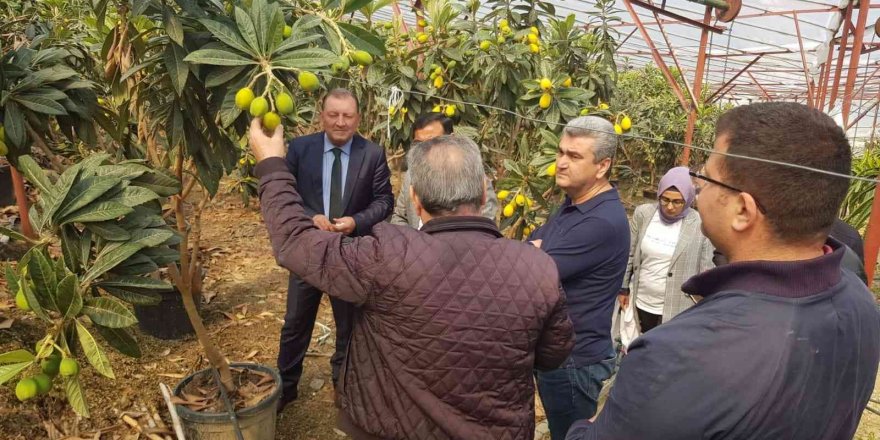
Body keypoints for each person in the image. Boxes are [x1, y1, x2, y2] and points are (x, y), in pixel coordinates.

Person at [567, 102, 880, 440]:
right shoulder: (860, 302)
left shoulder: (677, 355)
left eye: (706, 178)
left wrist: (591, 423)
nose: (697, 193)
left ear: (743, 210)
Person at [250, 122, 575, 439]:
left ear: (415, 200)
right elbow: (552, 355)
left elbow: (294, 242)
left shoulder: (385, 256)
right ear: (484, 190)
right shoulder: (539, 268)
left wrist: (271, 164)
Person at [277, 88, 394, 410]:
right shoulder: (301, 149)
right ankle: (285, 389)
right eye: (333, 115)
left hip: (349, 255)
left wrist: (356, 222)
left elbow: (385, 201)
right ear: (322, 116)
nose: (340, 122)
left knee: (349, 327)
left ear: (358, 118)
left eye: (347, 116)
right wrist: (308, 216)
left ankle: (342, 387)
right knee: (295, 324)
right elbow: (286, 193)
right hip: (309, 253)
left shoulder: (371, 154)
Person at [528, 116, 630, 440]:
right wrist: (536, 249)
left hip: (575, 363)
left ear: (602, 166)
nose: (560, 163)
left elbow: (531, 269)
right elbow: (532, 246)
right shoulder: (573, 204)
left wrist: (538, 250)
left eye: (573, 156)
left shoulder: (601, 221)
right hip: (560, 356)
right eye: (560, 152)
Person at [618, 166, 714, 333]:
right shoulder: (644, 215)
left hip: (679, 306)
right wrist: (623, 288)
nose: (670, 207)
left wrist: (703, 306)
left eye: (677, 201)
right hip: (642, 301)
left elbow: (706, 269)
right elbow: (630, 253)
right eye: (665, 199)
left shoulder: (700, 224)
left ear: (688, 199)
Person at [391, 113, 498, 228]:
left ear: (451, 139)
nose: (425, 150)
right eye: (419, 144)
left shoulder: (472, 177)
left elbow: (485, 224)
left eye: (434, 142)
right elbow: (400, 217)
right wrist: (413, 241)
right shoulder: (411, 176)